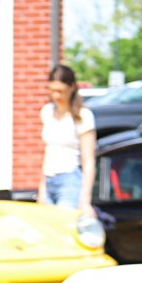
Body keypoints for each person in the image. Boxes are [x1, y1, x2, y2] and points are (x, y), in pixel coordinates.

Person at [39, 64, 97, 214]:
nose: (56, 96)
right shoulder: (47, 112)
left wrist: (85, 200)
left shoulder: (83, 116)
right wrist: (42, 188)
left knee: (63, 228)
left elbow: (88, 161)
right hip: (48, 179)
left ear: (72, 88)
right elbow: (48, 152)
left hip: (69, 181)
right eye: (52, 91)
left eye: (60, 91)